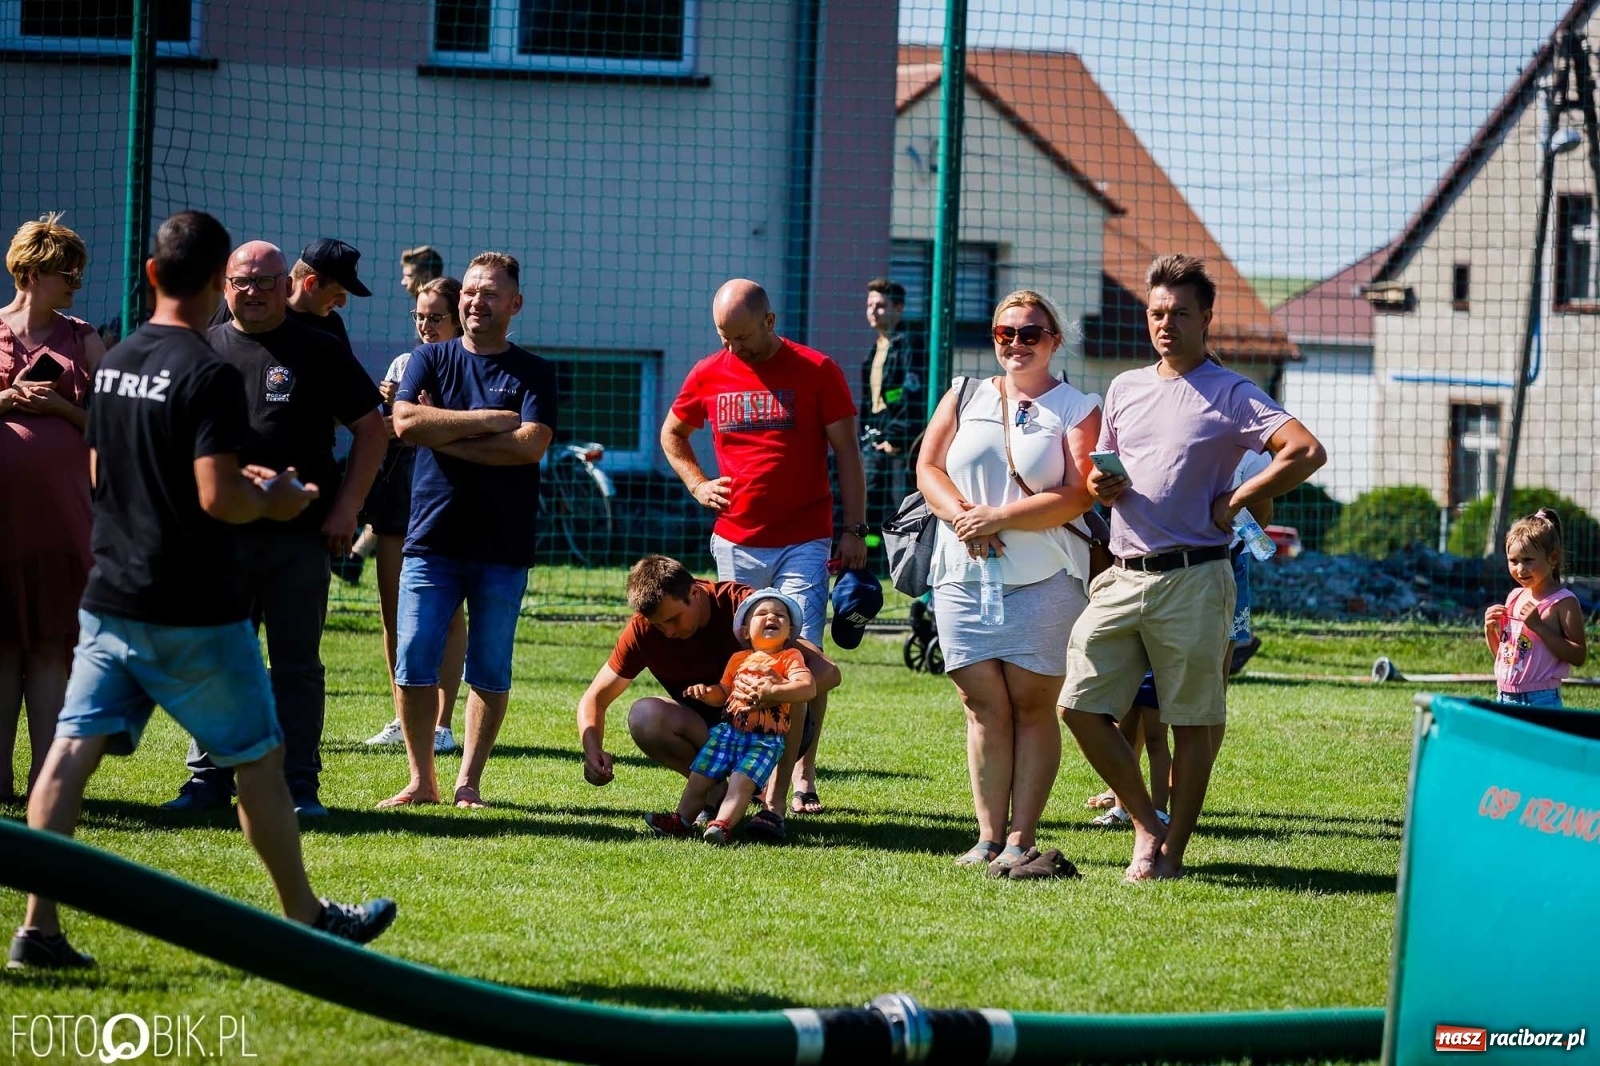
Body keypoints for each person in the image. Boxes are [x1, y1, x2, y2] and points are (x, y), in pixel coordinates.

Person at [7, 211, 395, 970]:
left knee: (65, 757)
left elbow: (101, 473)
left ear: (151, 275)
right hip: (189, 600)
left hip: (110, 591)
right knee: (256, 757)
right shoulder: (207, 367)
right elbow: (218, 498)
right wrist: (277, 500)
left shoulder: (113, 359)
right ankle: (307, 919)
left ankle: (37, 928)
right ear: (220, 281)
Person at [1059, 254, 1326, 882]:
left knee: (1192, 722)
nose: (1166, 323)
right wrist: (1102, 484)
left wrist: (1234, 499)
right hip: (1122, 574)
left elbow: (1305, 450)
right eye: (1156, 313)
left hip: (1197, 578)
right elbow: (1111, 470)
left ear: (1206, 318)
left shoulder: (1233, 392)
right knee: (1077, 705)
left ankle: (1170, 853)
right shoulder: (1124, 388)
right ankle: (1148, 824)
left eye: (1180, 313)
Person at [162, 241, 386, 817]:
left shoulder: (318, 348)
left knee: (296, 667)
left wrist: (347, 508)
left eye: (265, 280)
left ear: (286, 282)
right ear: (224, 284)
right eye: (241, 281)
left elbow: (371, 429)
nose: (253, 291)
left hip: (300, 537)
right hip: (218, 539)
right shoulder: (199, 348)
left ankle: (298, 788)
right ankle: (208, 782)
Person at [661, 278, 866, 818]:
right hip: (737, 541)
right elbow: (672, 434)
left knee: (799, 658)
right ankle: (741, 773)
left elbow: (847, 452)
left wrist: (855, 528)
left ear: (771, 323)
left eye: (744, 337)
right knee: (751, 659)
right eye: (725, 337)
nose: (735, 349)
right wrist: (698, 484)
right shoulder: (710, 372)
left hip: (804, 537)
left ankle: (798, 780)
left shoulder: (817, 370)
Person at [917, 289, 1101, 872]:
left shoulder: (1076, 406)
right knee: (980, 707)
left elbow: (1077, 494)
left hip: (1044, 578)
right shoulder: (963, 393)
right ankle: (987, 838)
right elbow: (928, 467)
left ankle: (1022, 838)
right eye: (1004, 333)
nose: (1016, 343)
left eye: (1030, 333)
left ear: (1054, 340)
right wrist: (963, 520)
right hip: (961, 577)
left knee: (1031, 707)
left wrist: (997, 518)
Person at [379, 252, 557, 809]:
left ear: (515, 304)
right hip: (431, 537)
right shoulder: (429, 359)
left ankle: (468, 782)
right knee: (412, 656)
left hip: (503, 546)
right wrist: (487, 421)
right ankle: (421, 779)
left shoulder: (535, 372)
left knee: (490, 668)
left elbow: (530, 446)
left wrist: (443, 432)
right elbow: (405, 423)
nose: (477, 301)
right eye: (471, 292)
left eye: (491, 293)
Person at [576, 555, 840, 843]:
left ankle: (772, 809)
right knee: (643, 716)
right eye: (659, 625)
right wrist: (592, 750)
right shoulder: (642, 629)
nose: (669, 631)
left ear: (694, 592)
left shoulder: (746, 608)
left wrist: (772, 691)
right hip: (715, 735)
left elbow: (828, 672)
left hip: (768, 734)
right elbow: (595, 697)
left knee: (797, 695)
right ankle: (716, 796)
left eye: (674, 619)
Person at [0, 213, 105, 803]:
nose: (76, 286)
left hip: (63, 517)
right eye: (69, 275)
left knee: (48, 648)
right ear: (34, 271)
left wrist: (61, 409)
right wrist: (8, 398)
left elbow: (114, 428)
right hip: (2, 518)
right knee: (0, 646)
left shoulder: (84, 337)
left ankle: (47, 785)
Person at [361, 277, 468, 755]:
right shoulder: (404, 364)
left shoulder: (471, 364)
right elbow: (389, 431)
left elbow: (474, 430)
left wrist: (427, 419)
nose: (426, 325)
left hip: (449, 490)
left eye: (435, 316)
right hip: (399, 486)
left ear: (458, 317)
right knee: (393, 611)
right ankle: (404, 717)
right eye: (419, 316)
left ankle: (442, 725)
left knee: (448, 613)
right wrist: (393, 412)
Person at [644, 589, 815, 844]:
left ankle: (722, 825)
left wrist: (775, 690)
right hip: (728, 733)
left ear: (789, 632)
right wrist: (706, 693)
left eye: (781, 615)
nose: (773, 617)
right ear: (746, 631)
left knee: (740, 782)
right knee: (699, 777)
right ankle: (680, 820)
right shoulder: (738, 659)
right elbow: (724, 692)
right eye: (763, 614)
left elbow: (808, 686)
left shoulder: (789, 658)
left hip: (764, 740)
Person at [1485, 508, 1586, 707]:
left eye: (1528, 560)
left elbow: (1578, 656)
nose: (1520, 569)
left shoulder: (1563, 602)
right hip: (1504, 696)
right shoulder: (1514, 597)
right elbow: (1505, 656)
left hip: (1541, 700)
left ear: (1553, 558)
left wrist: (1539, 627)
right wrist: (1490, 630)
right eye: (1513, 561)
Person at [860, 278, 926, 569]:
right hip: (873, 439)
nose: (874, 311)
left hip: (899, 443)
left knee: (899, 502)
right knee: (870, 503)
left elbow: (912, 393)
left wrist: (897, 436)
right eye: (870, 305)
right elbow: (875, 398)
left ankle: (904, 559)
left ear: (898, 309)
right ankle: (873, 557)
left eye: (881, 306)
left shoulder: (909, 344)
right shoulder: (876, 348)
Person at [211, 239, 371, 351]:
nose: (342, 303)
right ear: (310, 283)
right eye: (338, 293)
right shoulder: (243, 311)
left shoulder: (331, 325)